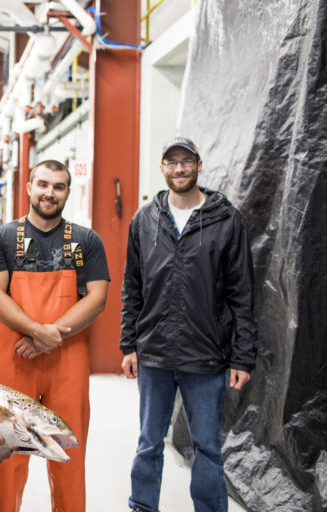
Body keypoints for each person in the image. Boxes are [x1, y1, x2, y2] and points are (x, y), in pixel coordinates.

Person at [120, 137, 257, 512]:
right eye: (171, 162)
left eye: (186, 161)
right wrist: (128, 344)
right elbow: (132, 287)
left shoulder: (226, 219)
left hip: (206, 354)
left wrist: (243, 357)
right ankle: (142, 507)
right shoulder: (143, 220)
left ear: (199, 165)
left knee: (208, 447)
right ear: (162, 168)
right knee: (149, 442)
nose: (179, 169)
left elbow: (241, 292)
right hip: (154, 353)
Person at [0, 159, 110, 511]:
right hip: (15, 359)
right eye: (43, 185)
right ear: (29, 188)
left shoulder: (87, 241)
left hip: (68, 362)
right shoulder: (3, 238)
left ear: (68, 191)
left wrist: (51, 337)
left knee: (67, 453)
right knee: (8, 450)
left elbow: (97, 299)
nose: (49, 193)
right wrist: (38, 333)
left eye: (58, 186)